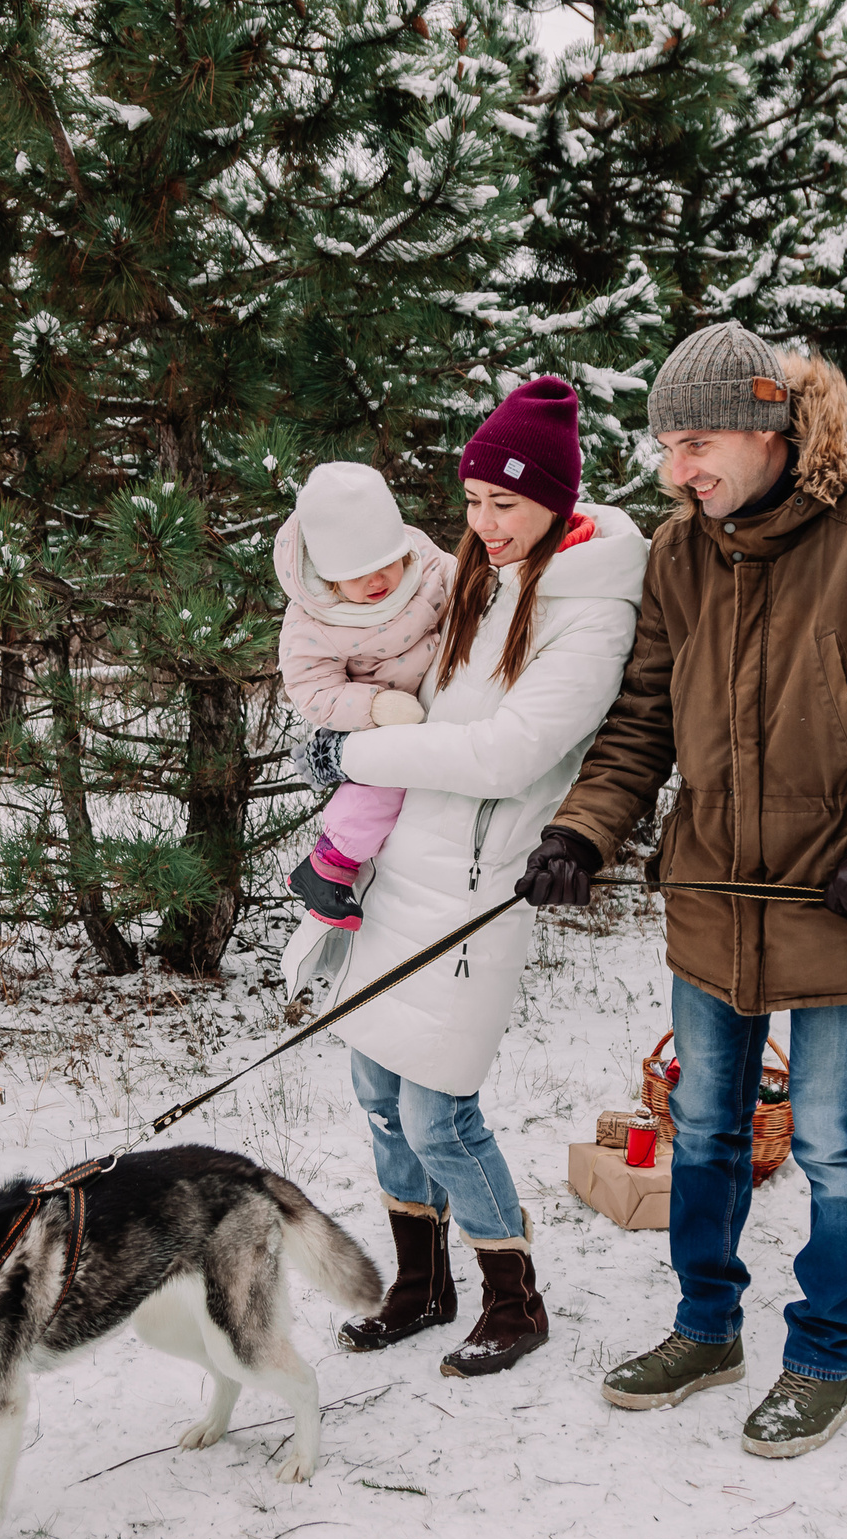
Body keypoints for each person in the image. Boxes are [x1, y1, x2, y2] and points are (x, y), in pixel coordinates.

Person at [520, 322, 847, 1456]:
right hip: (715, 900)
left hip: (842, 904)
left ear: (766, 429)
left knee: (834, 1142)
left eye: (694, 442)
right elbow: (643, 720)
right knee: (704, 1129)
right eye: (664, 448)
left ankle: (821, 1357)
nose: (676, 471)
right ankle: (706, 1329)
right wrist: (583, 832)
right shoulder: (681, 551)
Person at [293, 376, 645, 1376]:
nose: (484, 524)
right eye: (475, 502)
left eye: (508, 504)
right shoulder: (483, 580)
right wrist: (350, 732)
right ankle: (421, 1284)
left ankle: (513, 1298)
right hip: (404, 874)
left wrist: (352, 759)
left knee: (436, 1114)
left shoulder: (590, 612)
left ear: (558, 502)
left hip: (478, 895)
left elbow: (504, 757)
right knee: (372, 1087)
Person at [276, 461, 458, 931]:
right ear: (329, 575)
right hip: (372, 714)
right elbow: (312, 688)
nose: (377, 581)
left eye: (386, 565)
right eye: (359, 575)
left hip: (435, 697)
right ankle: (325, 867)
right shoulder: (313, 620)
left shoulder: (426, 564)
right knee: (379, 787)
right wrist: (374, 707)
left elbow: (469, 587)